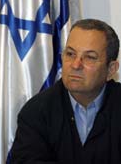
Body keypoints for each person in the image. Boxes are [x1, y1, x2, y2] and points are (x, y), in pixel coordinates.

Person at [11, 18, 121, 163]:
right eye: (70, 54)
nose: (76, 65)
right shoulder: (36, 113)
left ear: (111, 69)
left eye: (89, 57)